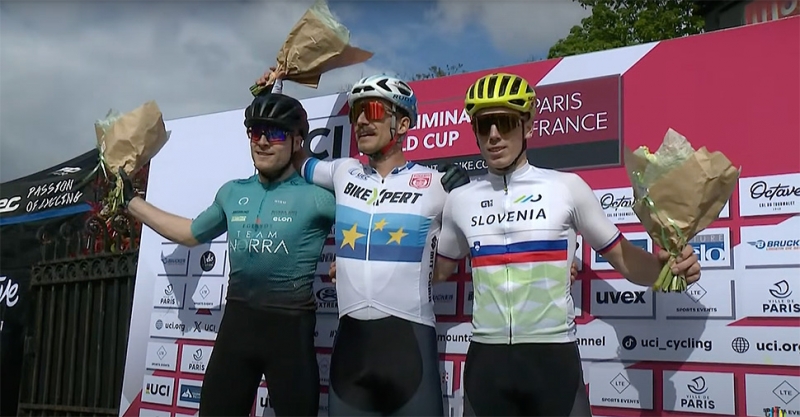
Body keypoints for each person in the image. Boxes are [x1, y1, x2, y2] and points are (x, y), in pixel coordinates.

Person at [433, 73, 702, 417]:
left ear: (528, 127)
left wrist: (668, 269)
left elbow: (625, 260)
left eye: (505, 122)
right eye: (484, 125)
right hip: (487, 362)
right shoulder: (460, 200)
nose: (494, 135)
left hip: (553, 359)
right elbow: (438, 273)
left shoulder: (566, 188)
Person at [255, 71, 470, 416]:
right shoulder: (344, 172)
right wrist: (272, 95)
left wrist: (464, 191)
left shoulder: (436, 183)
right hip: (351, 352)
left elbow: (444, 270)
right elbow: (293, 156)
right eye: (356, 113)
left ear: (402, 124)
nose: (362, 122)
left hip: (411, 349)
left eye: (373, 110)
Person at [122, 92, 334, 417]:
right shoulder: (233, 192)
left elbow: (369, 225)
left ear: (297, 141)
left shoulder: (318, 197)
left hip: (290, 334)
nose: (263, 141)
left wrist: (349, 259)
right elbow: (189, 233)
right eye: (256, 132)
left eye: (275, 133)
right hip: (237, 328)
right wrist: (131, 202)